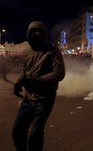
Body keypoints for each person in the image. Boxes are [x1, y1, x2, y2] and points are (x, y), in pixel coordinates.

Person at [12, 21, 65, 151]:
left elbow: (59, 73)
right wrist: (18, 82)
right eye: (33, 32)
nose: (36, 35)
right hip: (28, 98)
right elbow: (24, 71)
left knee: (35, 134)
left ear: (44, 34)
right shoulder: (26, 52)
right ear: (28, 34)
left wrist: (38, 80)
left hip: (45, 98)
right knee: (17, 131)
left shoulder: (53, 51)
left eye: (39, 32)